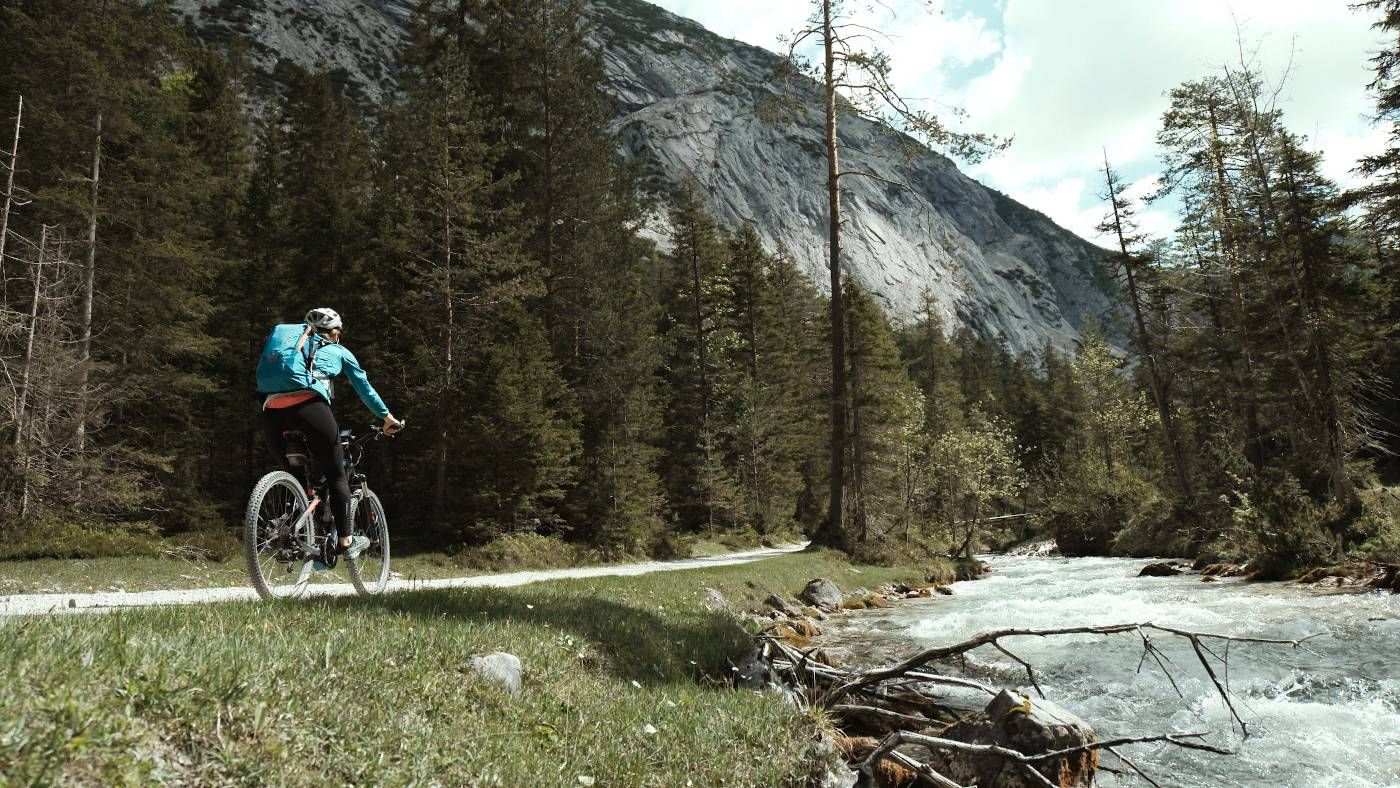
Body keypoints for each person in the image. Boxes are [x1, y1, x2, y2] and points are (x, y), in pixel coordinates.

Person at [258, 308, 403, 565]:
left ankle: (292, 533)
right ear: (335, 333)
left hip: (272, 412)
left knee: (297, 478)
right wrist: (387, 418)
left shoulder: (293, 347)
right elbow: (365, 389)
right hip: (309, 408)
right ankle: (346, 542)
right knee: (336, 474)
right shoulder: (338, 350)